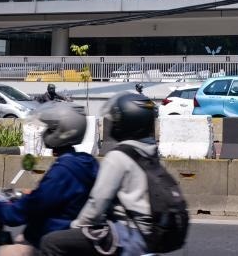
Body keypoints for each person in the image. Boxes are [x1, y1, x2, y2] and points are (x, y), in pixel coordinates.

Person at [0, 103, 99, 256]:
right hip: (65, 236)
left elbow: (17, 215)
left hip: (46, 241)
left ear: (60, 132)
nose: (44, 133)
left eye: (49, 129)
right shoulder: (86, 163)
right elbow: (57, 198)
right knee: (20, 238)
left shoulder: (62, 171)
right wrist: (34, 194)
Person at [39, 93, 159, 256]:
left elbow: (97, 203)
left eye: (117, 119)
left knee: (51, 242)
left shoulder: (118, 157)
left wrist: (76, 226)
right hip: (149, 233)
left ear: (128, 122)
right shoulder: (150, 153)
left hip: (127, 234)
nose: (114, 124)